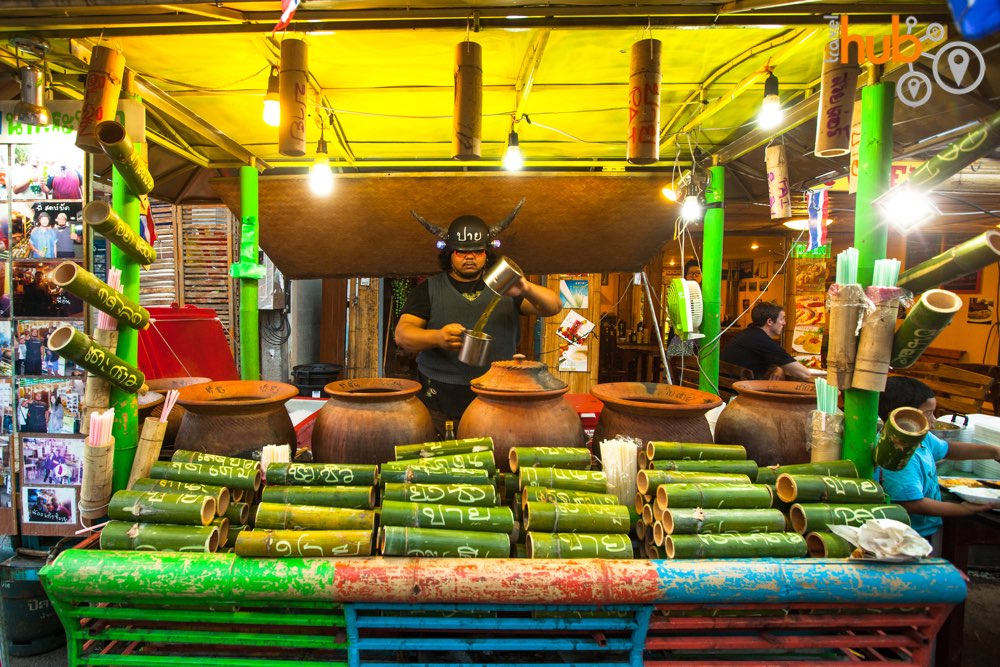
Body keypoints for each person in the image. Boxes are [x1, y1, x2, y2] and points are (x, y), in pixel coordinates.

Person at [394, 202, 561, 436]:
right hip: (440, 400)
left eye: (477, 251)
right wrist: (437, 337)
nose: (470, 257)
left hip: (497, 396)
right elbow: (403, 335)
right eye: (462, 251)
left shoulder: (504, 287)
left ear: (486, 253)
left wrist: (525, 287)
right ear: (450, 253)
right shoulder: (430, 290)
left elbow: (553, 307)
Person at [877, 376, 1000, 544]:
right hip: (908, 535)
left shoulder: (921, 437)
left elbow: (948, 449)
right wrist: (962, 509)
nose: (934, 420)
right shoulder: (897, 456)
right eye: (928, 413)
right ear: (904, 417)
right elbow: (911, 504)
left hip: (926, 526)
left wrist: (993, 451)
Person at [720, 301, 815, 381]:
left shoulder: (748, 334)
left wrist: (779, 367)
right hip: (742, 396)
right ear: (769, 322)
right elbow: (805, 374)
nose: (784, 323)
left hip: (726, 392)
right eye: (782, 319)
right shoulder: (764, 342)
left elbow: (756, 359)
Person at [667, 259, 703, 358]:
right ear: (685, 275)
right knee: (677, 364)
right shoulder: (679, 292)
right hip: (679, 335)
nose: (694, 276)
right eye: (690, 273)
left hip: (699, 336)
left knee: (696, 365)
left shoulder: (707, 295)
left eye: (698, 273)